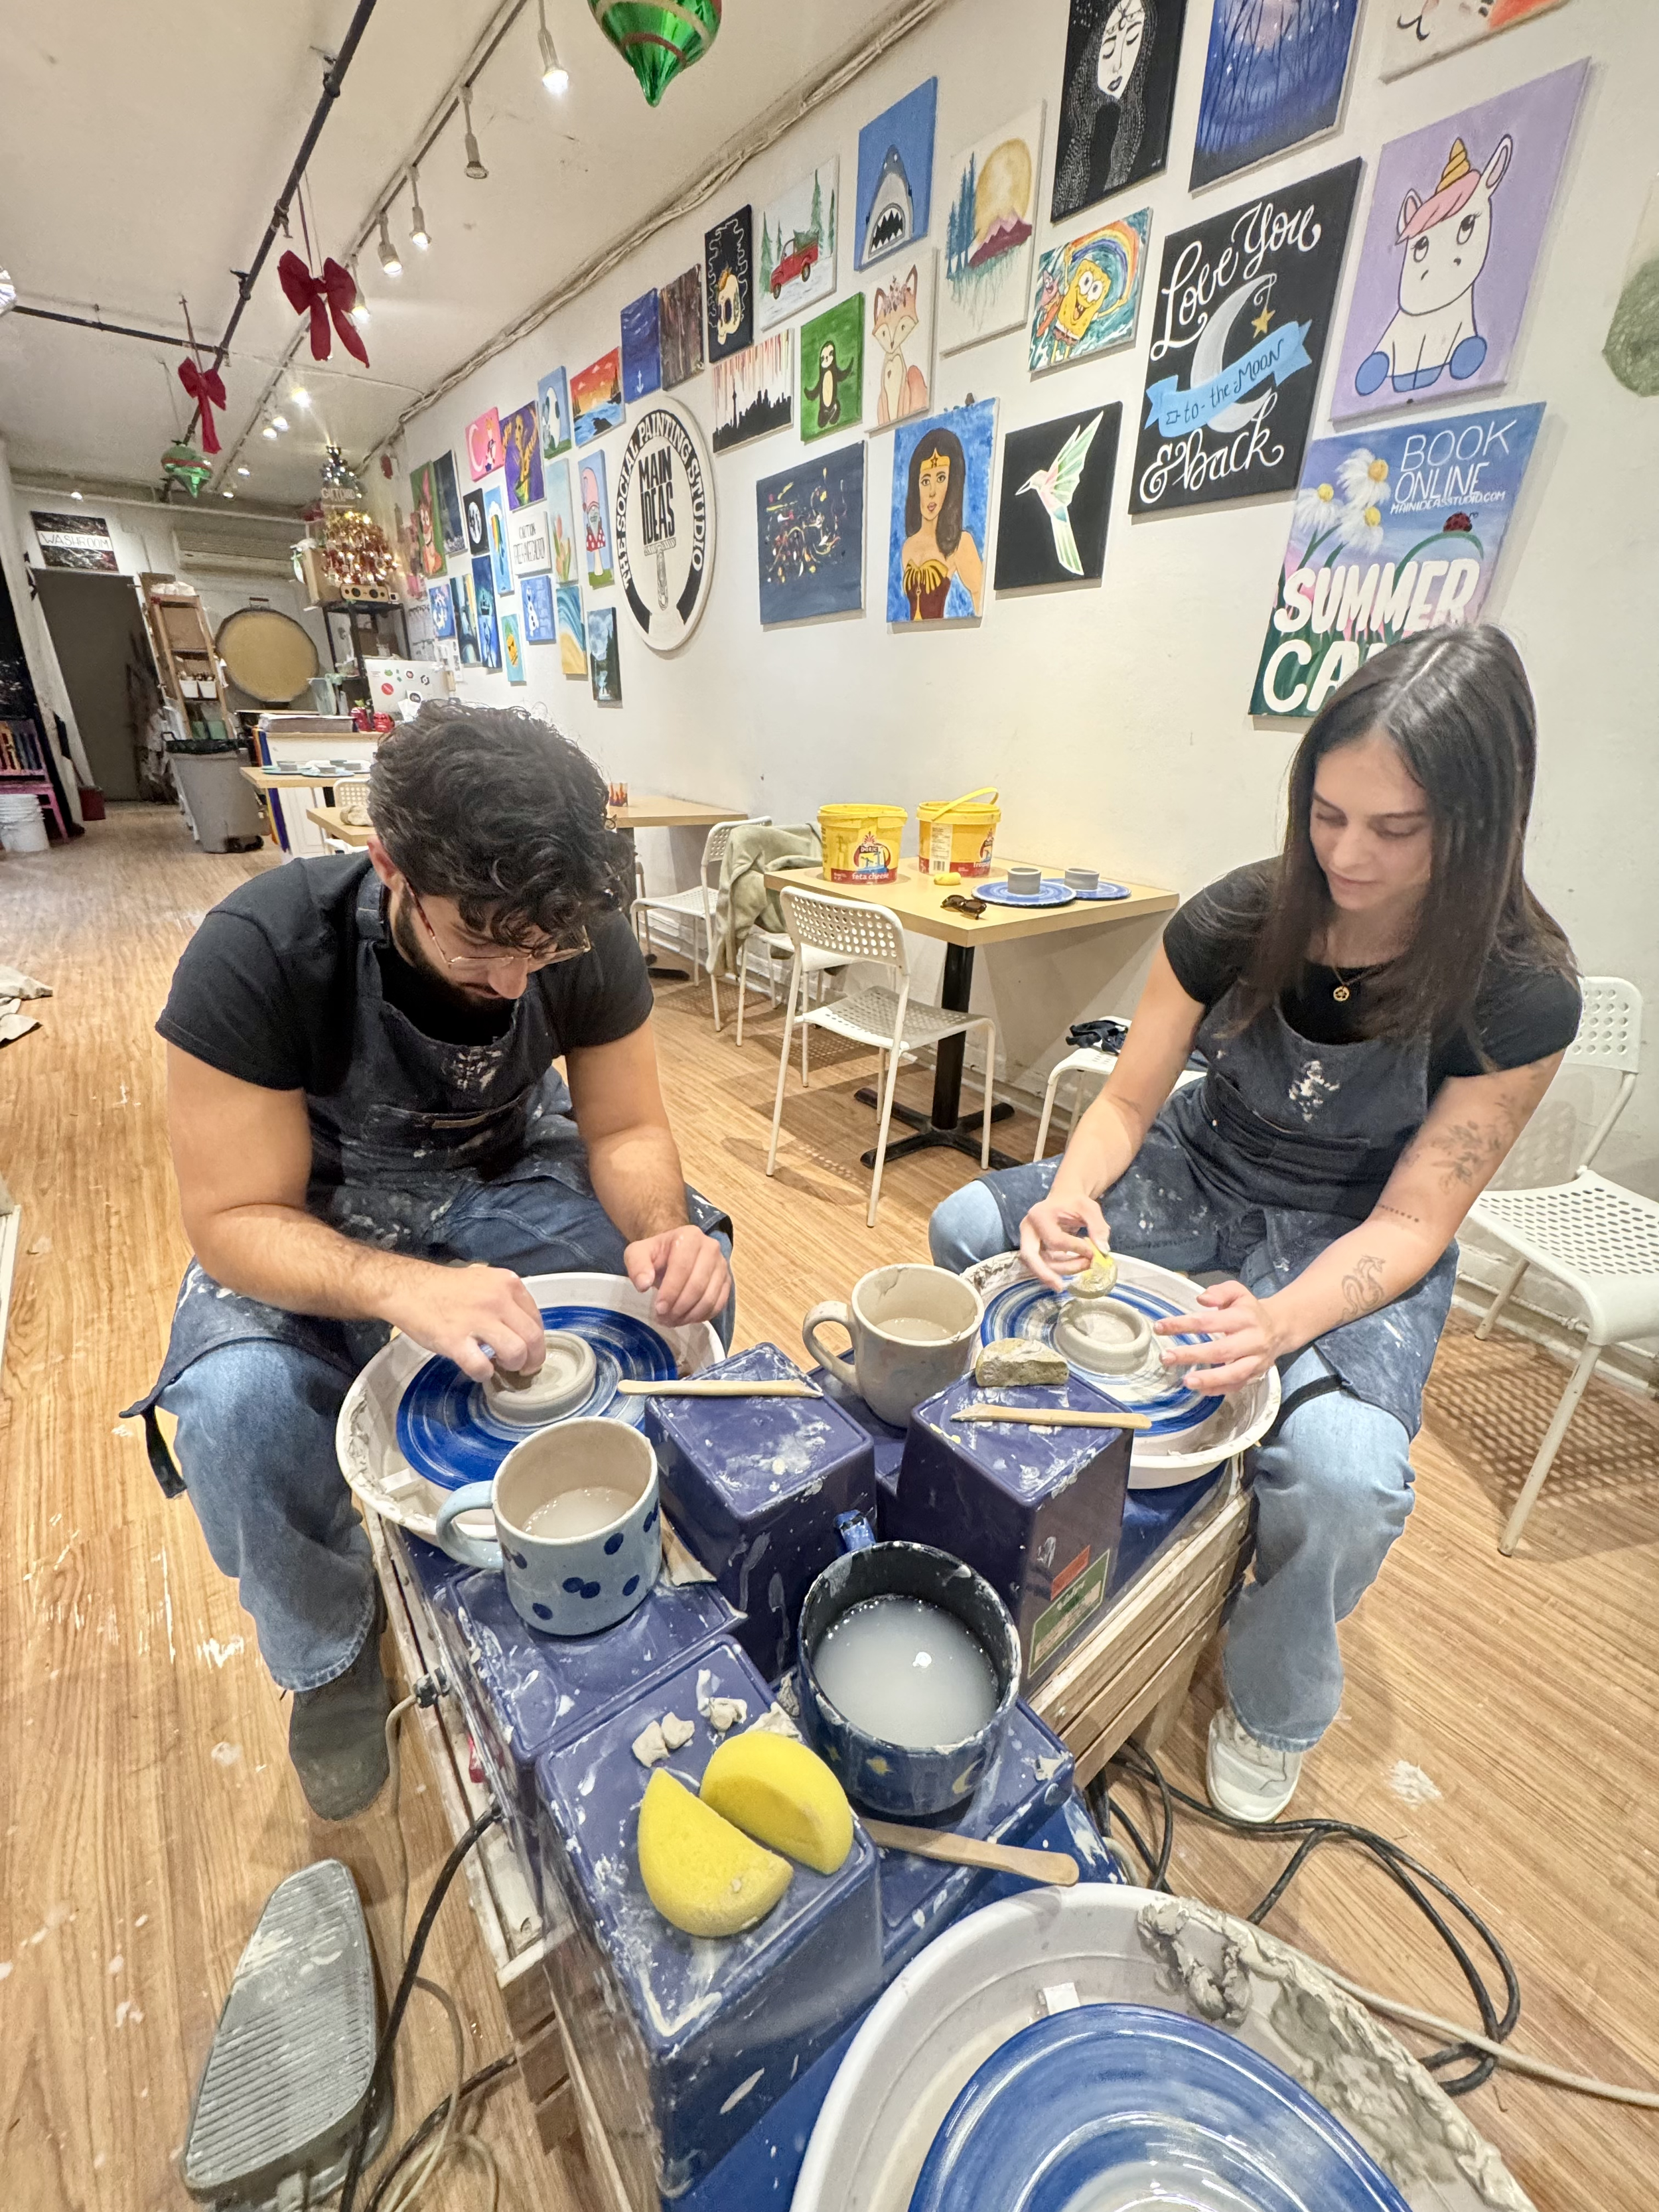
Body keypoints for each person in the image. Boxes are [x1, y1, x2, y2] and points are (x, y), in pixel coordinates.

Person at [930, 628, 1579, 1820]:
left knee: (1338, 1479)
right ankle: (1059, 1500)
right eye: (1329, 813)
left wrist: (1282, 1319)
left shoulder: (1520, 989)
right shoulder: (1242, 914)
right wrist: (1072, 1190)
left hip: (1351, 1228)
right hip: (1201, 1160)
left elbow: (1416, 1216)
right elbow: (1128, 1099)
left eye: (1397, 830)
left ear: (1481, 825)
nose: (1348, 854)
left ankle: (1273, 1696)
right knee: (968, 1227)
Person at [127, 707, 733, 1820]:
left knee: (683, 1282)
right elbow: (230, 1214)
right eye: (479, 945)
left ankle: (602, 1516)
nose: (512, 985)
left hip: (494, 1169)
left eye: (538, 953)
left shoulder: (570, 929)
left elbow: (630, 1132)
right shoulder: (260, 950)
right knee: (237, 1407)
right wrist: (401, 1286)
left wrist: (658, 1227)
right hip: (312, 1205)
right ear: (388, 865)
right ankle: (330, 1651)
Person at [900, 428, 984, 621]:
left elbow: (981, 599)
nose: (932, 491)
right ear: (916, 485)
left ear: (952, 483)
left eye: (941, 478)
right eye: (925, 480)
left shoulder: (960, 543)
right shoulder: (908, 547)